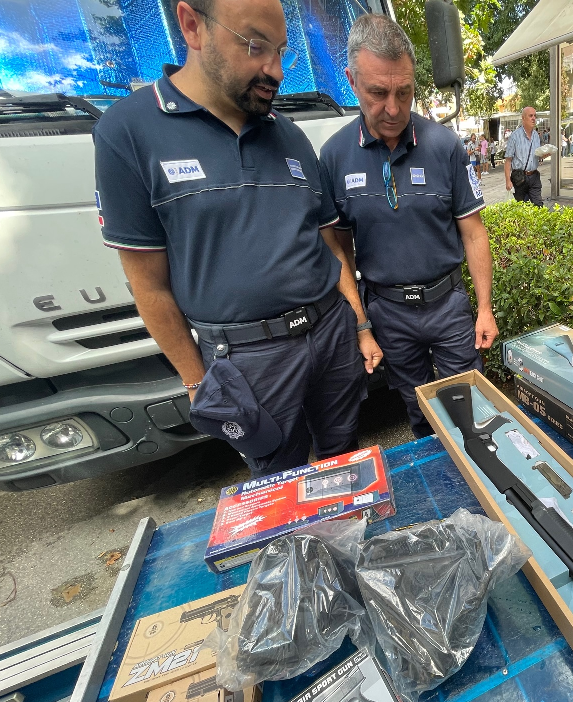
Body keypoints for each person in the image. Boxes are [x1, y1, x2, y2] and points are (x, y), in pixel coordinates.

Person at [93, 0, 383, 477]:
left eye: (281, 51)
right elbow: (148, 284)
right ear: (192, 26)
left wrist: (357, 323)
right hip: (248, 358)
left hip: (330, 331)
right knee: (277, 479)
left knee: (344, 457)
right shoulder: (127, 132)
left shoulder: (290, 136)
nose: (275, 71)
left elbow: (330, 245)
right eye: (255, 46)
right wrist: (197, 383)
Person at [319, 14, 498, 438]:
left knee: (469, 409)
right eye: (378, 93)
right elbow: (337, 249)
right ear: (352, 81)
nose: (394, 108)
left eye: (404, 91)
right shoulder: (334, 157)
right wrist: (362, 325)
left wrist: (484, 308)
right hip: (388, 313)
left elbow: (473, 232)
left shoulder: (445, 145)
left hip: (448, 306)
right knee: (418, 412)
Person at [504, 106, 543, 206]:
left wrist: (544, 155)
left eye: (535, 116)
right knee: (522, 207)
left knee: (538, 205)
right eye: (530, 116)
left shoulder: (536, 136)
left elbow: (537, 156)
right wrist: (508, 181)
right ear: (523, 118)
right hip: (519, 178)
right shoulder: (515, 136)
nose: (533, 118)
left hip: (534, 176)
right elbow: (508, 160)